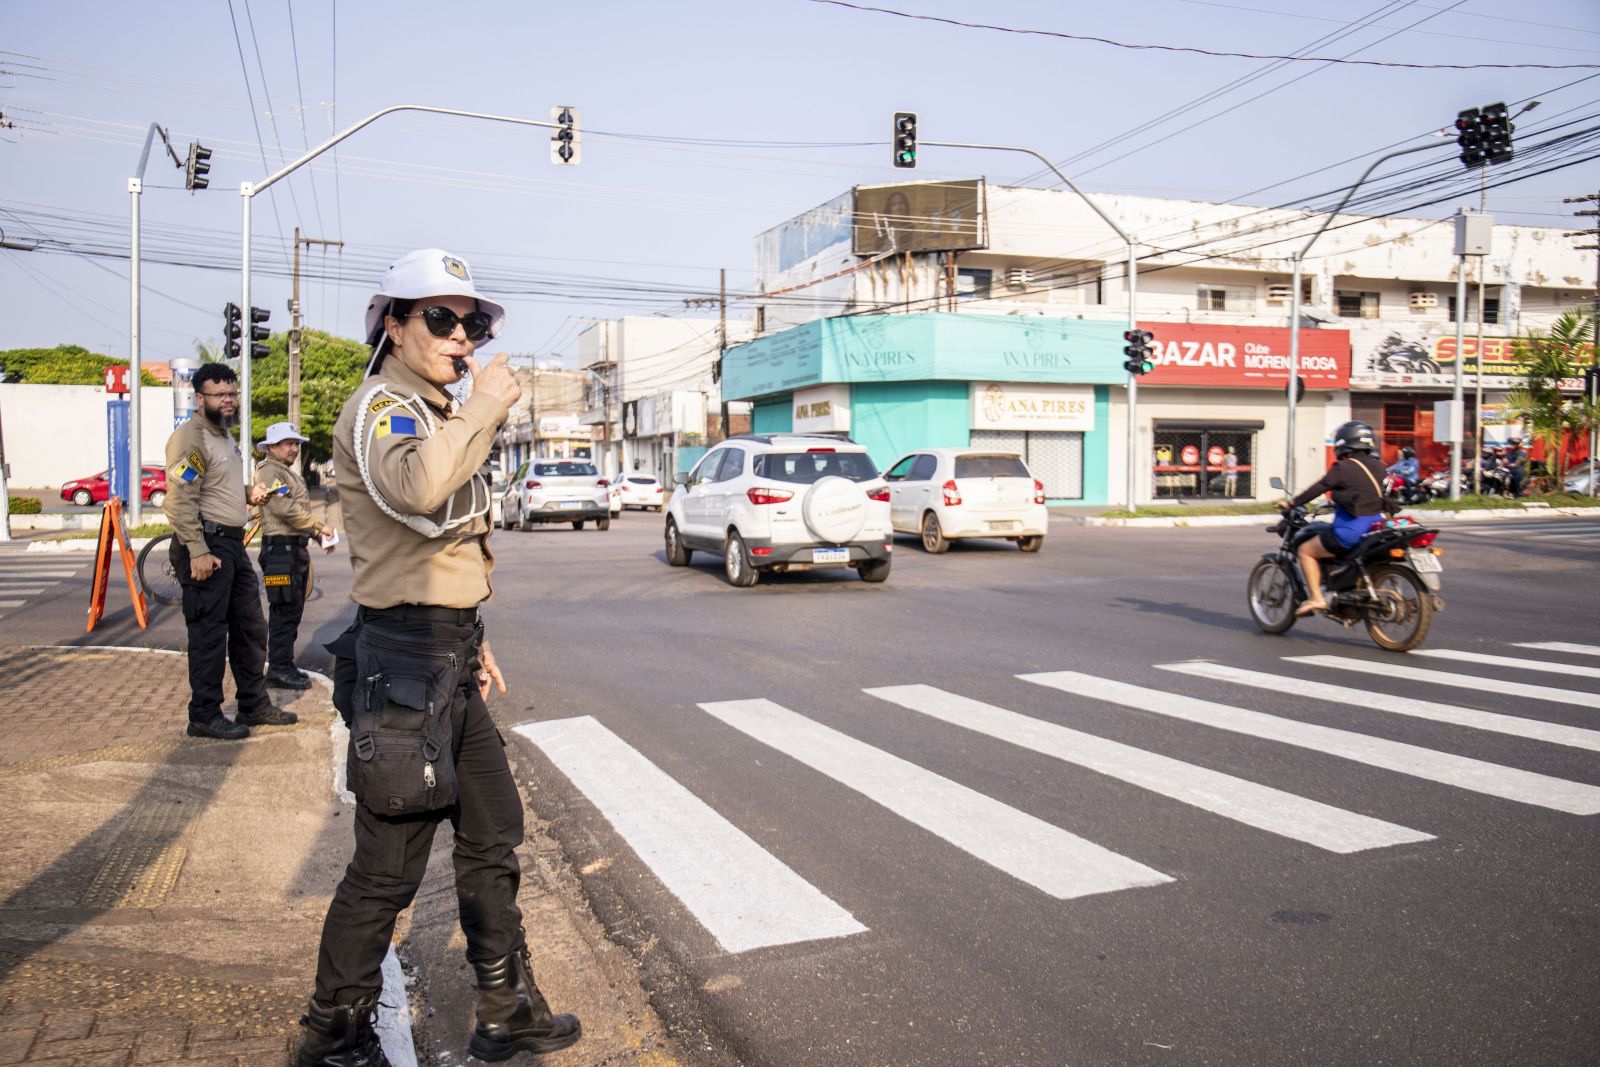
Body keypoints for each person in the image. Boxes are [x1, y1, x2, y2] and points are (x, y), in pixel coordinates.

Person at [298, 249, 580, 1067]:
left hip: (449, 657)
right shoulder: (382, 408)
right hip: (404, 662)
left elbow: (451, 550)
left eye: (476, 324)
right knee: (388, 867)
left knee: (493, 832)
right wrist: (484, 405)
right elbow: (420, 494)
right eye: (443, 320)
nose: (465, 339)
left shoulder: (428, 409)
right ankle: (334, 1034)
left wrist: (476, 644)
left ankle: (505, 1008)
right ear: (394, 323)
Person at [162, 363, 297, 740]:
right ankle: (204, 714)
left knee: (251, 627)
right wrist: (198, 550)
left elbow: (217, 484)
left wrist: (246, 494)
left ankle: (253, 705)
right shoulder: (191, 438)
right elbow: (179, 500)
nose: (228, 401)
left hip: (232, 545)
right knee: (209, 634)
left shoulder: (224, 437)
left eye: (232, 394)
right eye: (219, 395)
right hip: (208, 544)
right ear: (200, 398)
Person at [251, 421, 336, 690]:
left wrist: (316, 535)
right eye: (288, 443)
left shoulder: (285, 473)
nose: (294, 448)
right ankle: (278, 667)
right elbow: (285, 509)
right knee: (283, 610)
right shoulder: (269, 473)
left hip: (291, 549)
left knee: (292, 610)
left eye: (296, 443)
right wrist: (319, 526)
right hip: (279, 551)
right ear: (273, 446)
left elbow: (294, 513)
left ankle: (284, 664)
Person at [1277, 420, 1389, 616]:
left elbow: (1318, 487)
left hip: (1352, 531)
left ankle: (1316, 598)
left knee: (1305, 550)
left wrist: (1292, 502)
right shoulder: (1379, 467)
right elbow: (1365, 493)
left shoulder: (1343, 468)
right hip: (1377, 527)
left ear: (1344, 442)